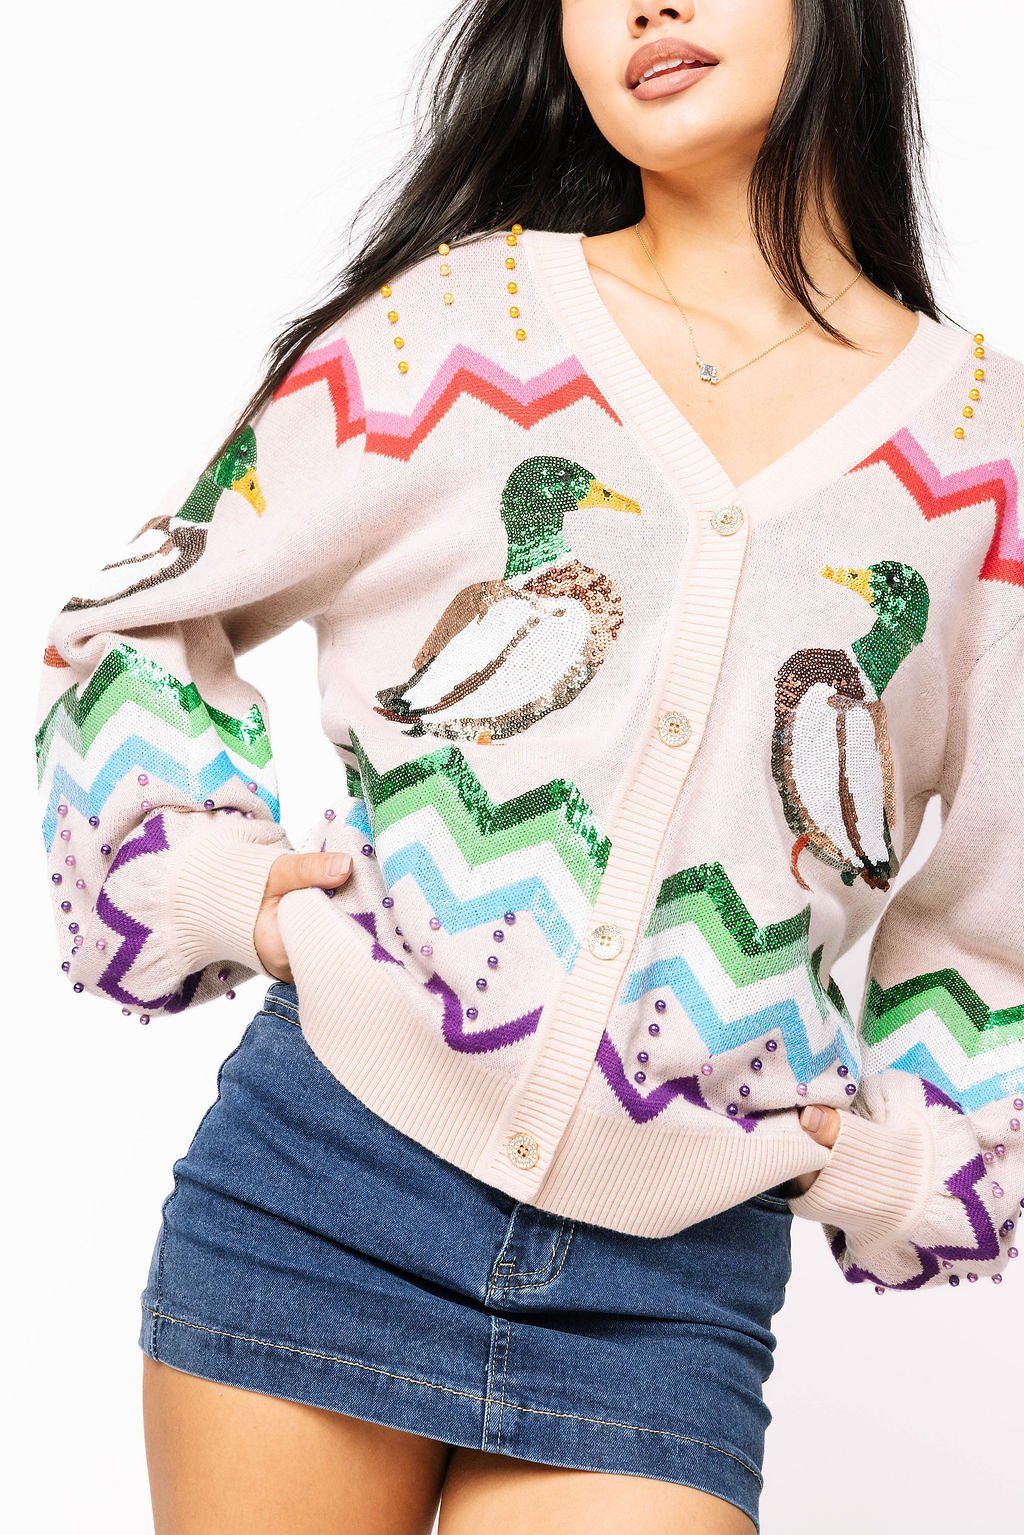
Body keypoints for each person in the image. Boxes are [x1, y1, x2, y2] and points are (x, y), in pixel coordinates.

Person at [34, 2, 1023, 1532]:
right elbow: (143, 616)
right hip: (322, 1192)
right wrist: (235, 893)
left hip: (665, 1299)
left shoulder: (984, 455)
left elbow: (997, 903)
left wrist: (907, 1159)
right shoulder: (456, 329)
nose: (646, 7)